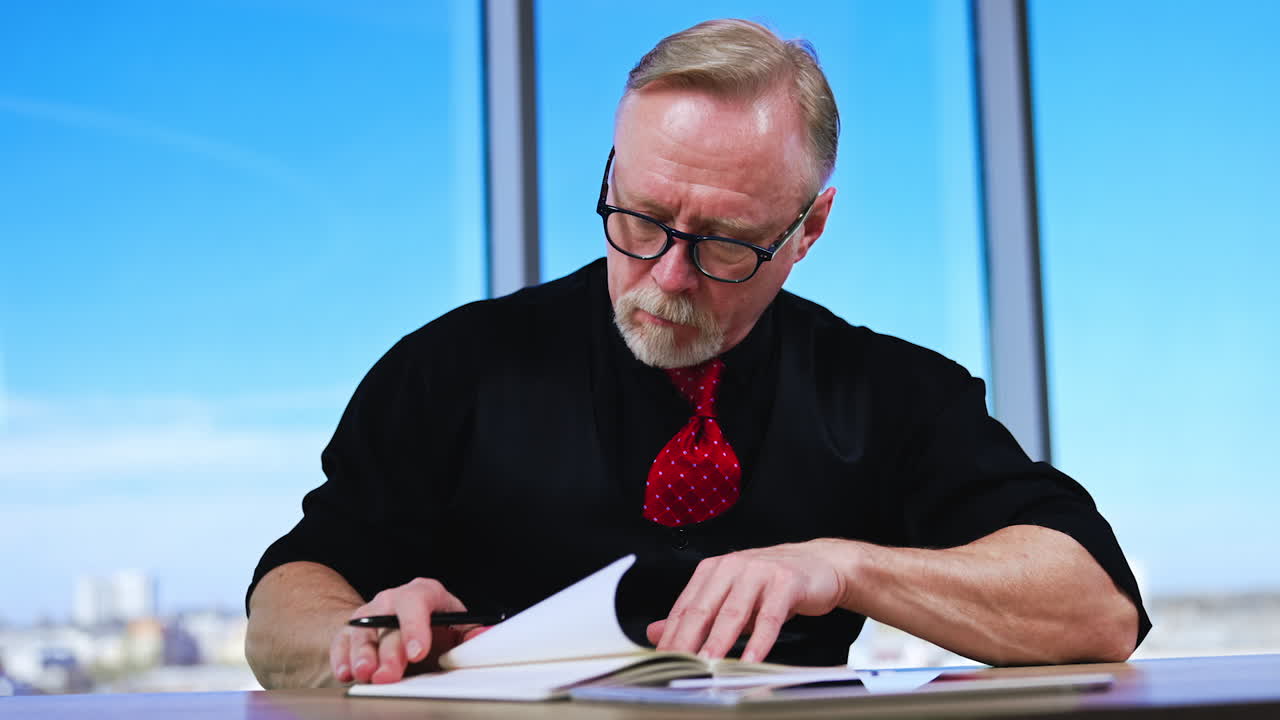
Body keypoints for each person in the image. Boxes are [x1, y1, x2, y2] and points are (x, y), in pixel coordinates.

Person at [245, 19, 1149, 689]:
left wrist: (843, 566)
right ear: (612, 173)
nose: (668, 276)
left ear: (809, 229)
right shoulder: (451, 369)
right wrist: (357, 638)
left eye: (725, 243)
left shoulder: (891, 393)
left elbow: (1098, 609)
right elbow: (286, 599)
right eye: (640, 219)